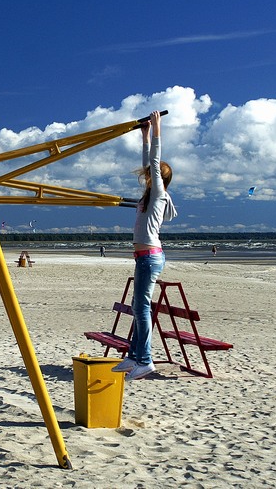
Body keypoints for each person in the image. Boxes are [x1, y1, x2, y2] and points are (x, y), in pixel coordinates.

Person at [113, 111, 177, 381]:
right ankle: (134, 355)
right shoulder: (148, 196)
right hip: (144, 257)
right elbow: (147, 162)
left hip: (151, 257)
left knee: (141, 308)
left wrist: (158, 128)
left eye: (152, 173)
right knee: (138, 305)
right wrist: (144, 134)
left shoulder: (159, 196)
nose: (147, 175)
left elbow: (152, 162)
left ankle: (146, 360)